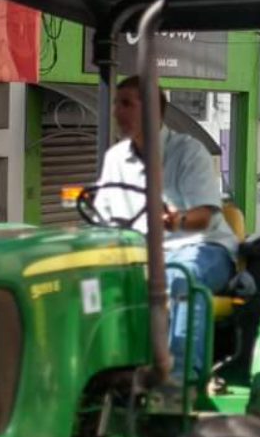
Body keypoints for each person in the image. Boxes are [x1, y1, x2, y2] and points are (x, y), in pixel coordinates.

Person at [95, 75, 238, 378]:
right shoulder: (115, 159)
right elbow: (102, 220)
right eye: (116, 104)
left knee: (179, 276)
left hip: (202, 247)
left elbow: (205, 217)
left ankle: (182, 378)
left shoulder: (188, 152)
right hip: (140, 255)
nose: (116, 112)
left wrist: (177, 220)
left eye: (126, 104)